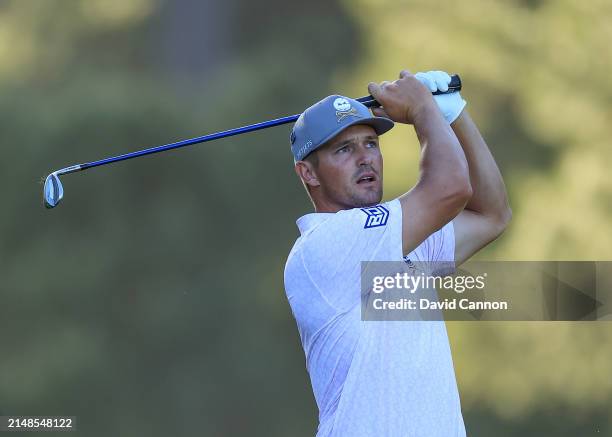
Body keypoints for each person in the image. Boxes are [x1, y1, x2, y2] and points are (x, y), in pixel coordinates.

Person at [284, 69, 511, 436]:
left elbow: (491, 214)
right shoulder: (325, 244)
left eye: (371, 143)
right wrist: (424, 111)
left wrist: (454, 115)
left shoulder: (397, 241)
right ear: (308, 174)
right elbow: (451, 187)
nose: (365, 158)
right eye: (344, 149)